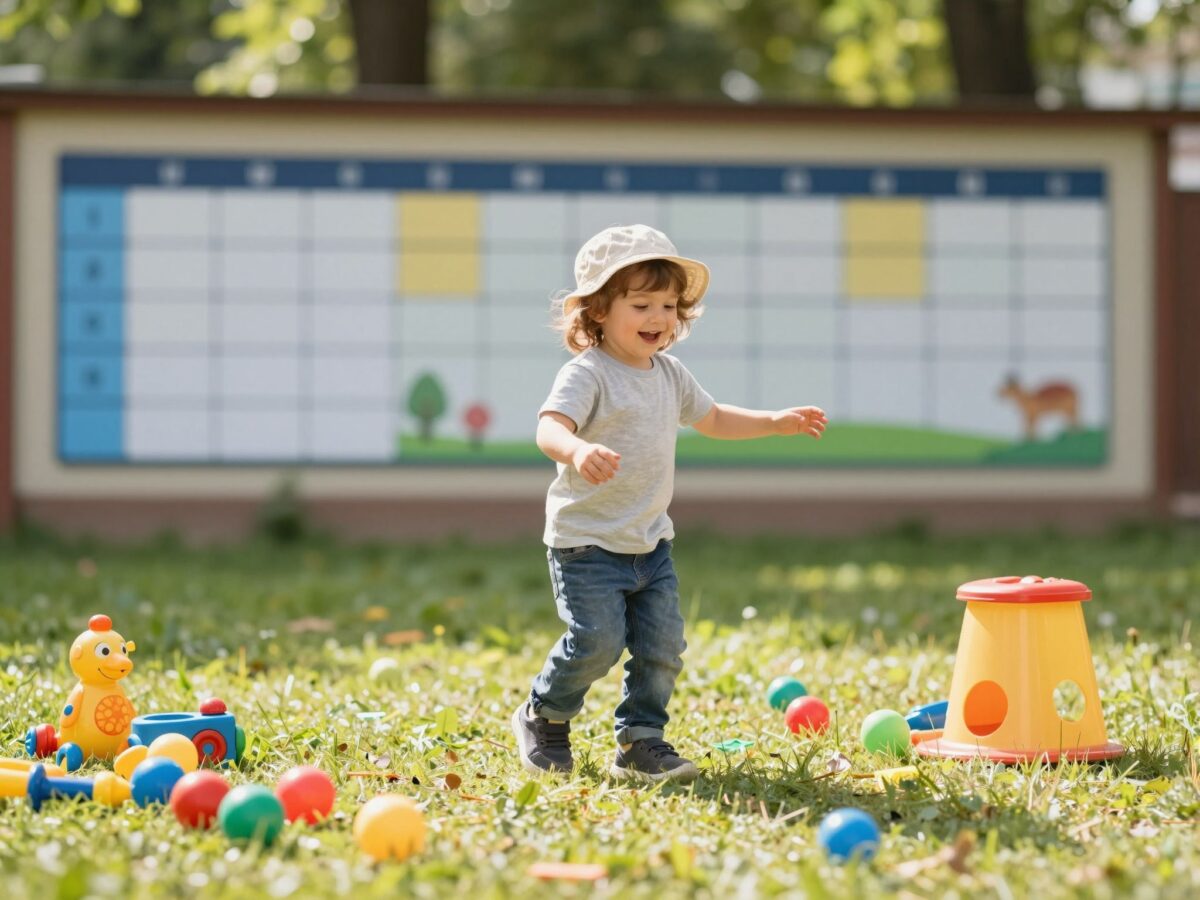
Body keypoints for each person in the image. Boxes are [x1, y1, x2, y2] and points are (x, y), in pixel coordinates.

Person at [512, 223, 828, 782]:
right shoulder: (587, 374)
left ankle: (640, 741)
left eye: (667, 306)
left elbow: (715, 418)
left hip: (649, 543)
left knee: (662, 646)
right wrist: (577, 449)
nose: (657, 317)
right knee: (597, 642)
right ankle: (545, 716)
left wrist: (774, 421)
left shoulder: (670, 374)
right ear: (598, 311)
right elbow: (549, 428)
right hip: (587, 544)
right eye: (641, 305)